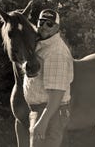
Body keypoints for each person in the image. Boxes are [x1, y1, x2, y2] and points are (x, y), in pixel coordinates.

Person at [23, 9, 74, 147]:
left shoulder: (56, 53)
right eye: (42, 22)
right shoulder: (42, 44)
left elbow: (57, 94)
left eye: (49, 24)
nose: (44, 26)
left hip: (50, 112)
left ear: (57, 28)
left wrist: (43, 121)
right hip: (41, 110)